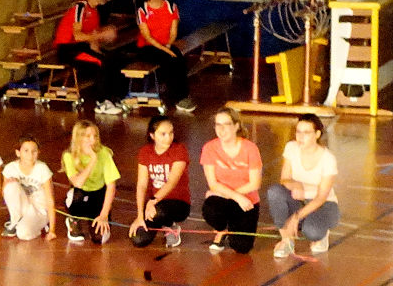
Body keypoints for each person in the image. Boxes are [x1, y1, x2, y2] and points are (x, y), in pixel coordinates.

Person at [267, 114, 340, 257]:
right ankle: (286, 241)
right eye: (298, 132)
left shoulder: (328, 159)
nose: (300, 137)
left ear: (317, 134)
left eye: (306, 132)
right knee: (275, 192)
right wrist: (296, 184)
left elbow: (321, 197)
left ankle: (322, 233)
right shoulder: (291, 148)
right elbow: (284, 179)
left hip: (323, 205)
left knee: (312, 231)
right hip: (299, 200)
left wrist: (296, 217)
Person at [53, 0, 124, 115]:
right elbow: (77, 36)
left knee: (113, 59)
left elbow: (93, 40)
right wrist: (102, 35)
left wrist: (100, 50)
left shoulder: (95, 12)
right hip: (68, 49)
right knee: (100, 63)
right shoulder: (80, 8)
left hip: (82, 47)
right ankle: (102, 103)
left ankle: (116, 97)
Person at [200, 107, 263, 254]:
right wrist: (235, 196)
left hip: (247, 201)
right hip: (226, 199)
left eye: (226, 124)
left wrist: (232, 196)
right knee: (211, 209)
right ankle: (221, 230)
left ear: (236, 126)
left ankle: (233, 228)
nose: (221, 129)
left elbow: (255, 183)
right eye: (218, 125)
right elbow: (213, 184)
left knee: (241, 247)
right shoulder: (209, 148)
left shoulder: (250, 148)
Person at [128, 115, 190, 248]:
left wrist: (153, 200)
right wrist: (140, 216)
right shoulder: (145, 152)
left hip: (177, 203)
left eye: (171, 133)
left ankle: (171, 226)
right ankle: (159, 222)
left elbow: (172, 182)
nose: (168, 137)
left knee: (159, 212)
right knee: (138, 239)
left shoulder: (179, 150)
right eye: (163, 134)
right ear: (152, 135)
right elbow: (142, 185)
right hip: (154, 204)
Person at [136, 0, 195, 112]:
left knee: (179, 59)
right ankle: (177, 98)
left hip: (165, 45)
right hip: (147, 48)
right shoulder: (142, 10)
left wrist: (168, 45)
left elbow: (173, 32)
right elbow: (147, 37)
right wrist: (166, 50)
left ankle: (184, 96)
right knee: (168, 60)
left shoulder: (171, 7)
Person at [61, 120, 120, 244]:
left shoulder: (104, 153)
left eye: (95, 136)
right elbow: (78, 183)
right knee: (76, 197)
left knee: (99, 239)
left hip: (99, 193)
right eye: (88, 136)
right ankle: (73, 219)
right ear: (78, 138)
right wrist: (93, 159)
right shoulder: (69, 156)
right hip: (81, 192)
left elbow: (111, 186)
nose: (93, 140)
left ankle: (93, 217)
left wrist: (104, 215)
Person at [1, 135, 56, 241]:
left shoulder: (43, 169)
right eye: (26, 151)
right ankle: (15, 221)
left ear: (38, 152)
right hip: (24, 207)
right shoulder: (10, 168)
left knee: (23, 234)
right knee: (11, 185)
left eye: (34, 151)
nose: (30, 155)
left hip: (39, 210)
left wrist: (52, 230)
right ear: (18, 152)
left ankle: (37, 226)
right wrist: (10, 184)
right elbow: (5, 194)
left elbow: (50, 200)